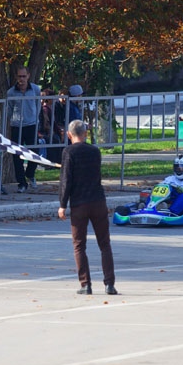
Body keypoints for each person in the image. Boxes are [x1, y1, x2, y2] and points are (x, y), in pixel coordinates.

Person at [58, 119, 116, 295]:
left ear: (69, 135)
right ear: (85, 134)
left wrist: (62, 205)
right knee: (104, 244)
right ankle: (109, 284)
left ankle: (85, 284)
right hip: (98, 200)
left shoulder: (68, 151)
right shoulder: (94, 151)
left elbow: (66, 180)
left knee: (79, 245)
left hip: (79, 203)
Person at [6, 67, 41, 191]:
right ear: (16, 77)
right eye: (19, 76)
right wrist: (13, 121)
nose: (22, 79)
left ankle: (30, 174)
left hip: (31, 125)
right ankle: (21, 183)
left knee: (35, 152)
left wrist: (34, 118)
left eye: (24, 76)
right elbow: (9, 109)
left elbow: (38, 105)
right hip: (17, 126)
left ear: (28, 76)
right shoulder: (11, 92)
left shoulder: (35, 89)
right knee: (17, 156)